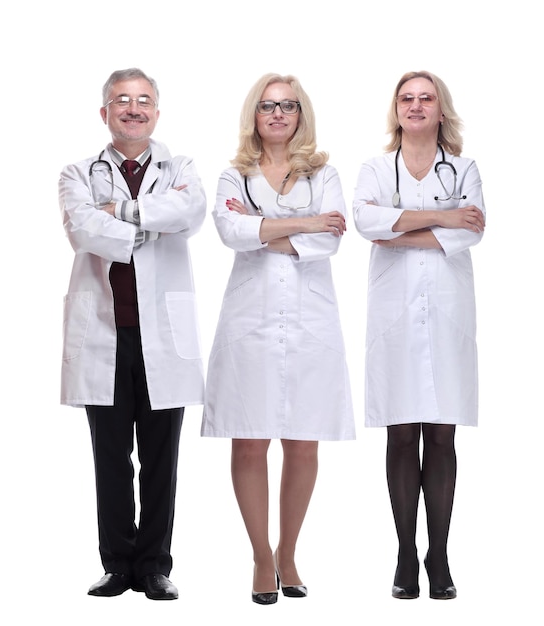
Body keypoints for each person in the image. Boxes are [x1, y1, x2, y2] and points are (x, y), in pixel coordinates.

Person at [201, 73, 355, 605]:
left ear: (300, 114)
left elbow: (331, 238)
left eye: (289, 105)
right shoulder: (233, 176)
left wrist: (266, 226)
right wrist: (301, 225)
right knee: (248, 437)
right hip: (250, 319)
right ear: (255, 114)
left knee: (302, 438)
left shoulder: (325, 173)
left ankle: (289, 552)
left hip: (311, 320)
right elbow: (230, 233)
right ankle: (261, 556)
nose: (278, 114)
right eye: (268, 106)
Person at [58, 68, 206, 600]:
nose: (133, 108)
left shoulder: (181, 167)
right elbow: (83, 230)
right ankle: (118, 563)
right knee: (111, 455)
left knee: (162, 456)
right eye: (122, 100)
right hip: (105, 333)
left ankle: (155, 566)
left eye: (144, 100)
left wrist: (119, 212)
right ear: (105, 113)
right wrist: (151, 224)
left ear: (157, 112)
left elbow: (189, 213)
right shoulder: (78, 173)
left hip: (161, 334)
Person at [352, 70, 486, 600]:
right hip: (395, 314)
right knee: (401, 432)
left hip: (449, 311)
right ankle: (406, 553)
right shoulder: (374, 168)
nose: (415, 105)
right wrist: (442, 218)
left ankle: (440, 554)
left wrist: (402, 228)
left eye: (425, 97)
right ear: (396, 110)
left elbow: (472, 228)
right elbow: (366, 222)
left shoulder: (465, 167)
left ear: (440, 109)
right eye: (406, 98)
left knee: (443, 435)